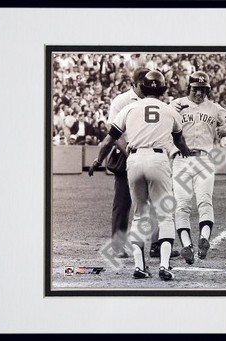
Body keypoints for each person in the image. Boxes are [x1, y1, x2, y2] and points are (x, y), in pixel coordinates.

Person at [89, 70, 190, 281]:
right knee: (164, 215)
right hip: (159, 160)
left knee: (139, 214)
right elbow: (180, 142)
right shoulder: (170, 110)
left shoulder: (129, 107)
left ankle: (139, 266)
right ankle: (163, 265)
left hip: (133, 160)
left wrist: (98, 161)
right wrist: (187, 155)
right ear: (163, 89)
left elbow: (109, 141)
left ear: (141, 88)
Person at [169, 71, 226, 265]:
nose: (199, 93)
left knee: (205, 201)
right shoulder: (175, 105)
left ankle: (204, 238)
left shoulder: (214, 108)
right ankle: (186, 245)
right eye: (196, 89)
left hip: (204, 159)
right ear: (189, 88)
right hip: (180, 159)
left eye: (203, 90)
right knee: (182, 204)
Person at [92, 67, 150, 258]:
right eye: (143, 85)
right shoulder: (121, 101)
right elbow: (114, 132)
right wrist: (130, 152)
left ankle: (158, 245)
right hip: (127, 155)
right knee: (123, 203)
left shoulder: (152, 99)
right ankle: (117, 246)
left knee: (155, 201)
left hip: (149, 154)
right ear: (134, 84)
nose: (147, 87)